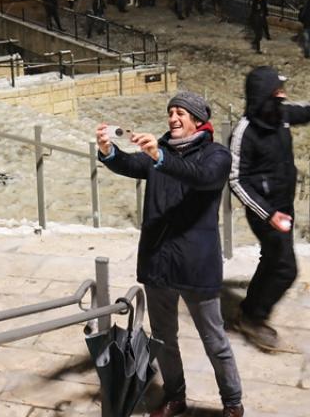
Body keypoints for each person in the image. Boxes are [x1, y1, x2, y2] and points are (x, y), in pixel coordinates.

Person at [95, 92, 244, 417]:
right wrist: (108, 151)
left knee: (214, 340)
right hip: (158, 260)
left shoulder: (216, 155)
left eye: (181, 113)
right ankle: (175, 396)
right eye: (170, 112)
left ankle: (232, 402)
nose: (173, 118)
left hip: (196, 263)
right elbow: (129, 164)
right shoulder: (158, 151)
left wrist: (160, 156)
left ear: (198, 120)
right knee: (163, 338)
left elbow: (202, 178)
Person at [228, 67, 310, 349]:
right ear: (263, 95)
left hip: (283, 205)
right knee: (286, 269)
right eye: (277, 91)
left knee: (271, 259)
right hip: (264, 211)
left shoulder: (281, 114)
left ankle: (248, 310)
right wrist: (268, 214)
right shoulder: (244, 132)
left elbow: (303, 112)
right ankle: (253, 318)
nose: (283, 95)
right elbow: (236, 180)